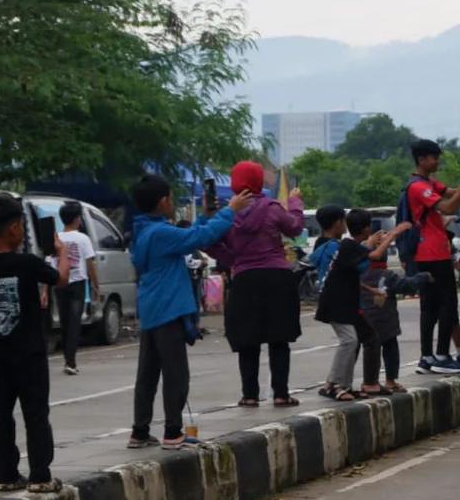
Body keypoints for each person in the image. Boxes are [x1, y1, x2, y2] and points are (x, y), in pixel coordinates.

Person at [128, 175, 253, 449]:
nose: (172, 203)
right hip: (168, 308)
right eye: (171, 198)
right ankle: (173, 432)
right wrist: (230, 210)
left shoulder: (144, 230)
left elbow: (187, 237)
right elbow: (200, 238)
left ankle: (140, 430)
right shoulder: (160, 233)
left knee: (148, 373)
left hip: (151, 308)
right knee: (176, 373)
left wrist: (207, 216)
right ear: (163, 201)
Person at [0, 194, 70, 493]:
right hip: (29, 352)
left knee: (0, 415)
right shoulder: (27, 263)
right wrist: (61, 252)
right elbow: (61, 279)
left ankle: (7, 475)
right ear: (13, 228)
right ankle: (40, 475)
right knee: (35, 413)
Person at [201, 161, 304, 408]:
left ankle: (249, 395)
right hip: (277, 276)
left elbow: (208, 241)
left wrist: (234, 259)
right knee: (279, 338)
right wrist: (296, 204)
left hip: (245, 279)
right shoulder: (272, 208)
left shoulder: (228, 214)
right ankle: (281, 393)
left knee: (248, 339)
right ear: (259, 181)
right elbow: (295, 227)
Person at [405, 139, 460, 374]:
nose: (437, 162)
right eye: (434, 158)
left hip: (430, 252)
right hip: (433, 252)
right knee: (448, 304)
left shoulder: (428, 183)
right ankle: (442, 355)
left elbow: (449, 192)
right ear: (422, 159)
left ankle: (426, 358)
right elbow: (448, 208)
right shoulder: (418, 187)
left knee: (430, 307)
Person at [315, 209, 399, 400]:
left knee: (363, 338)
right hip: (336, 302)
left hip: (346, 302)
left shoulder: (349, 246)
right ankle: (333, 385)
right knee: (349, 341)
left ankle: (344, 384)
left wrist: (372, 290)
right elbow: (376, 255)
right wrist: (393, 235)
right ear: (338, 223)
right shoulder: (347, 245)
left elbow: (352, 274)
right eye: (342, 222)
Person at [358, 223, 429, 397]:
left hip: (365, 320)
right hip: (387, 322)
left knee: (370, 351)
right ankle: (390, 380)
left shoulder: (361, 275)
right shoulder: (388, 276)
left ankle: (370, 381)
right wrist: (423, 277)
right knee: (390, 349)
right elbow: (406, 286)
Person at [51, 201, 97, 376]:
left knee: (64, 322)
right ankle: (70, 361)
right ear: (78, 219)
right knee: (74, 322)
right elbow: (90, 264)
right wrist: (95, 285)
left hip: (60, 283)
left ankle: (68, 360)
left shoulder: (56, 237)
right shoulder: (83, 238)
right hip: (77, 284)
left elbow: (51, 262)